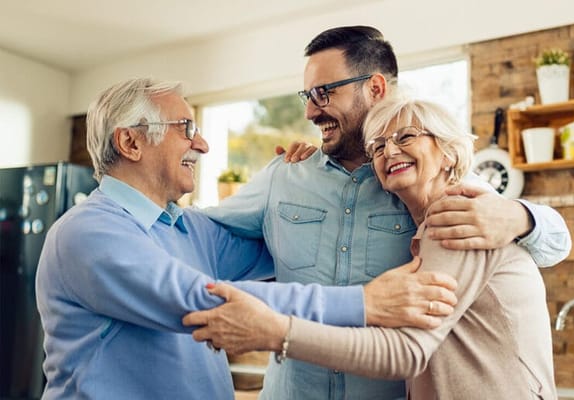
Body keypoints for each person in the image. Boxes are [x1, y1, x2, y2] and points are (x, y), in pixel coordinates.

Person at [202, 26, 569, 399]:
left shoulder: (457, 204)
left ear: (375, 88)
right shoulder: (287, 174)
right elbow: (204, 237)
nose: (310, 110)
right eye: (379, 146)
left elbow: (556, 243)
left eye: (322, 93)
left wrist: (521, 216)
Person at [34, 77, 458, 400]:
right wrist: (367, 303)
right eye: (186, 127)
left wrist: (313, 183)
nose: (201, 144)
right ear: (130, 142)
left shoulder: (187, 229)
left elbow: (297, 239)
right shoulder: (87, 233)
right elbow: (208, 302)